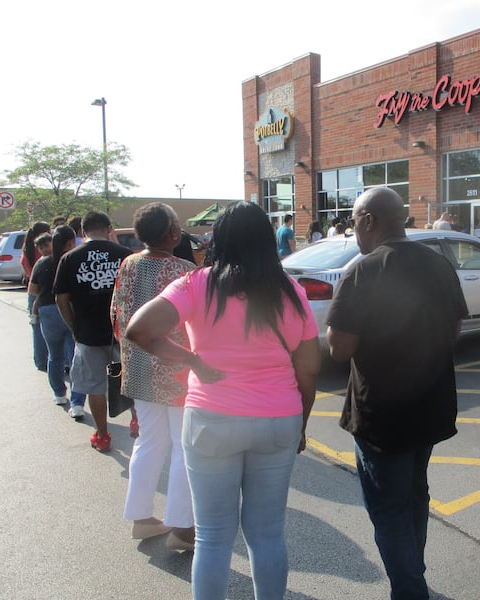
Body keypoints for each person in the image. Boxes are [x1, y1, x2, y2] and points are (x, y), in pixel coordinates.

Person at [124, 201, 320, 599]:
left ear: (220, 240)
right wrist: (301, 423)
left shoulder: (196, 284)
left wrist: (191, 359)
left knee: (213, 538)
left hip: (212, 417)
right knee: (267, 535)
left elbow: (139, 330)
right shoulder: (291, 291)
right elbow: (310, 369)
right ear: (267, 241)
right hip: (278, 417)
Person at [325, 186, 468, 599]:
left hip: (381, 415)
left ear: (369, 219)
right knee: (414, 494)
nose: (352, 229)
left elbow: (339, 348)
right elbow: (454, 330)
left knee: (388, 508)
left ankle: (410, 588)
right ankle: (413, 573)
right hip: (430, 405)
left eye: (353, 221)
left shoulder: (364, 270)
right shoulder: (439, 264)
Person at [111, 203, 196, 549]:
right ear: (173, 233)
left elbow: (116, 315)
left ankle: (141, 517)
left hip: (139, 367)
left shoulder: (127, 264)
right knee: (182, 446)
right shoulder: (185, 270)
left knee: (149, 441)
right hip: (178, 370)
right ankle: (180, 528)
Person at [54, 211, 132, 452]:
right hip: (123, 333)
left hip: (87, 334)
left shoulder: (69, 258)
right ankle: (138, 420)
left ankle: (102, 434)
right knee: (131, 380)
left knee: (94, 386)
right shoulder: (126, 256)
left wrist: (73, 327)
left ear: (82, 231)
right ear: (109, 228)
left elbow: (61, 299)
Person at [29, 227, 86, 416]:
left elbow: (33, 289)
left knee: (54, 355)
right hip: (69, 308)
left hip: (46, 309)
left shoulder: (42, 263)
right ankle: (77, 403)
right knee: (74, 357)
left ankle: (59, 394)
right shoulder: (72, 260)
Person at [21, 221, 51, 371]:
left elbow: (24, 266)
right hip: (44, 293)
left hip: (32, 292)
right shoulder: (43, 252)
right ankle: (52, 360)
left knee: (36, 330)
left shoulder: (27, 249)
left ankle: (40, 361)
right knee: (50, 331)